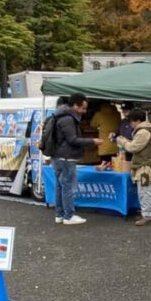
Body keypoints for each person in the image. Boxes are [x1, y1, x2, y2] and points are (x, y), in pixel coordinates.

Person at [52, 93, 103, 225]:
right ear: (75, 105)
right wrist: (92, 141)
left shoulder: (60, 115)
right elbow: (72, 139)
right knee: (67, 185)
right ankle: (69, 216)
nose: (84, 111)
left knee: (60, 185)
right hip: (66, 157)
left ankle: (59, 214)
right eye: (83, 108)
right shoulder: (68, 119)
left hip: (58, 156)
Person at [116, 108, 151, 226]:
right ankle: (146, 213)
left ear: (137, 121)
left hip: (146, 167)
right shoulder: (145, 130)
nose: (130, 124)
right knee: (143, 191)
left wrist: (122, 141)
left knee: (146, 192)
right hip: (144, 166)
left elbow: (133, 147)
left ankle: (148, 216)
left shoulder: (143, 132)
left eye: (131, 121)